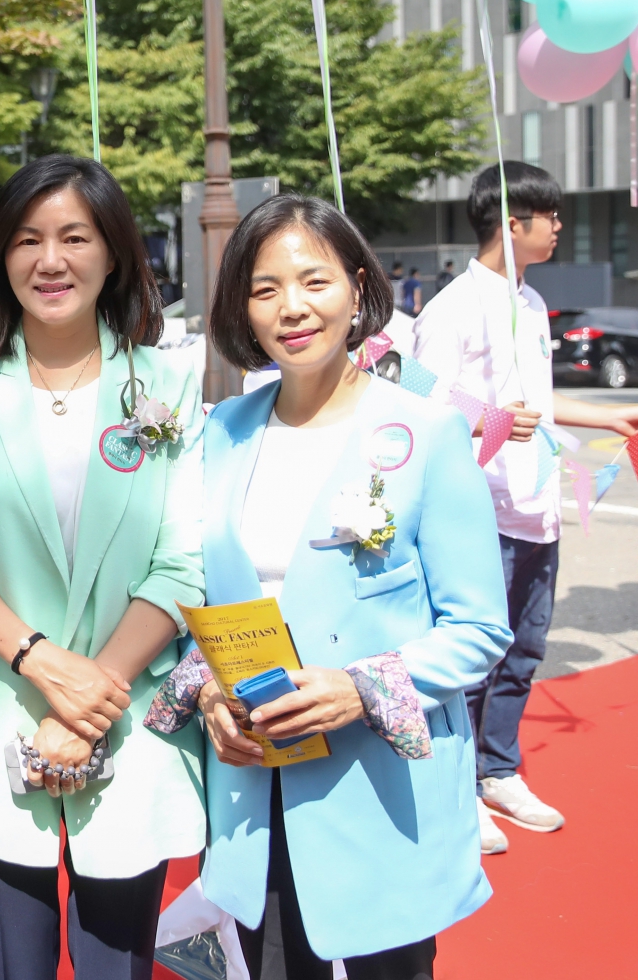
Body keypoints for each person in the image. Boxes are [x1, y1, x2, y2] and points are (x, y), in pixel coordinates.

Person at [148, 193, 513, 979]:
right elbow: (195, 607)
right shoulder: (219, 433)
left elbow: (479, 629)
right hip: (251, 787)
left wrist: (362, 688)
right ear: (241, 309)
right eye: (263, 288)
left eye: (312, 282)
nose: (291, 308)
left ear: (355, 287)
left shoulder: (424, 431)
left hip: (378, 793)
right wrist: (207, 694)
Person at [0, 155, 205, 980]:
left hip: (131, 716)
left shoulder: (170, 380)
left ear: (112, 253)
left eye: (75, 236)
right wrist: (41, 662)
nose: (50, 259)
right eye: (28, 239)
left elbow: (183, 560)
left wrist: (87, 698)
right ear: (0, 256)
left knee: (120, 968)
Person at [412, 162, 638, 853]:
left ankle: (497, 771)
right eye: (546, 215)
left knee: (523, 651)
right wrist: (489, 417)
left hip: (536, 503)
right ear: (510, 224)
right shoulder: (452, 307)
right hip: (477, 510)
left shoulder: (529, 303)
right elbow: (418, 399)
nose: (557, 226)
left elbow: (540, 400)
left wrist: (607, 421)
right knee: (470, 660)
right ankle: (455, 787)